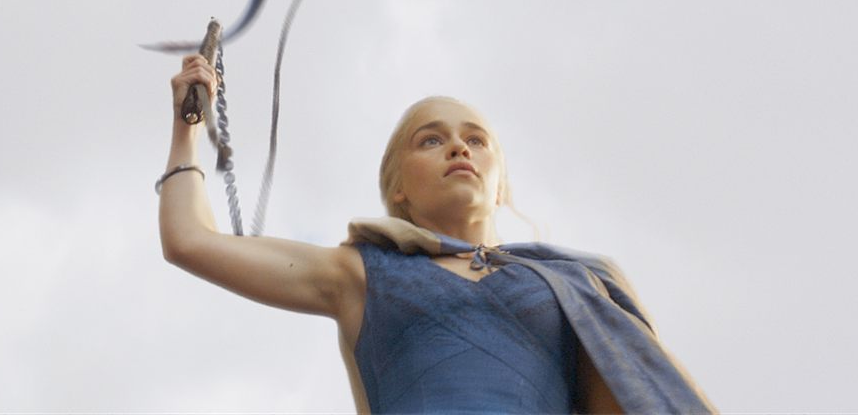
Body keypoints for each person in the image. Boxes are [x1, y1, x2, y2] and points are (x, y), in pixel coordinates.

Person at [159, 54, 715, 414]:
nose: (457, 148)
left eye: (476, 140)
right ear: (398, 187)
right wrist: (187, 129)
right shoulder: (361, 273)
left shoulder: (578, 280)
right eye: (431, 140)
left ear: (499, 184)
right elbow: (190, 241)